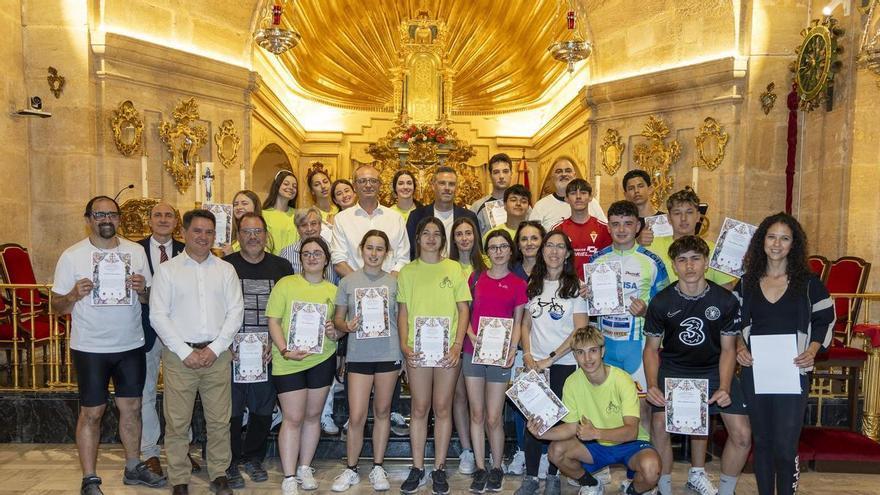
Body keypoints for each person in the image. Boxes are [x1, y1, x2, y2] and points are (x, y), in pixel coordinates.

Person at [52, 196, 165, 495]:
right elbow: (56, 307)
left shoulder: (136, 252)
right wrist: (73, 294)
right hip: (90, 346)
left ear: (119, 219)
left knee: (133, 408)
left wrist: (143, 291)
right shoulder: (72, 255)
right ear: (88, 218)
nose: (106, 219)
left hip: (130, 344)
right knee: (93, 412)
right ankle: (89, 478)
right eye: (99, 214)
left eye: (112, 215)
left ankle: (133, 466)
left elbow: (150, 300)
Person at [734, 213, 834, 495]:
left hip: (794, 371)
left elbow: (826, 319)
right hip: (756, 371)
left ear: (794, 244)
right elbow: (730, 323)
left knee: (785, 443)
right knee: (763, 441)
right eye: (771, 236)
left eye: (785, 238)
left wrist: (813, 350)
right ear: (762, 241)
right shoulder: (745, 284)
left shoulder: (810, 284)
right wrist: (740, 348)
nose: (777, 244)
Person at [643, 235, 751, 495]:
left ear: (705, 263)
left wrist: (724, 386)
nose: (689, 266)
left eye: (695, 259)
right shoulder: (661, 302)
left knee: (742, 434)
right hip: (675, 369)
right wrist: (653, 385)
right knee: (658, 426)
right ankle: (664, 488)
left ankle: (725, 490)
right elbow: (650, 349)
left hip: (714, 368)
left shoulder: (725, 301)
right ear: (674, 266)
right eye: (682, 260)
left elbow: (728, 349)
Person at [150, 209, 244, 495]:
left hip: (217, 356)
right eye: (197, 231)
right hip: (180, 357)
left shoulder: (225, 270)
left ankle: (218, 473)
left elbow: (235, 312)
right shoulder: (168, 271)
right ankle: (179, 478)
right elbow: (158, 315)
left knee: (219, 421)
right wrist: (184, 351)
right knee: (177, 422)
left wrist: (215, 349)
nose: (203, 237)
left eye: (208, 232)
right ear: (184, 234)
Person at [531, 326, 661, 495]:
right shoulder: (571, 382)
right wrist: (542, 434)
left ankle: (633, 490)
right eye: (580, 352)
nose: (587, 358)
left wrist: (596, 433)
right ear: (575, 355)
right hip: (595, 446)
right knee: (556, 451)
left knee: (651, 470)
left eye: (592, 350)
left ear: (602, 351)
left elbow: (631, 432)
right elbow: (570, 428)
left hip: (629, 443)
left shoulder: (623, 380)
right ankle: (591, 484)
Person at [397, 217, 472, 495]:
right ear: (418, 238)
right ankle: (417, 468)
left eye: (436, 233)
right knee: (419, 407)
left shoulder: (453, 268)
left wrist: (456, 344)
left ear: (443, 239)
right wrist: (404, 347)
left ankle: (439, 468)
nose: (431, 238)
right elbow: (402, 312)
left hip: (446, 350)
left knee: (442, 407)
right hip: (416, 349)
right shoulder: (407, 272)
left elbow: (463, 310)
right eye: (426, 233)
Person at [222, 213, 295, 489]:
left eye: (258, 231)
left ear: (266, 235)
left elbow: (288, 309)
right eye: (247, 232)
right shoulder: (225, 266)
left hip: (268, 351)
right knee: (231, 409)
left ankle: (253, 457)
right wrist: (225, 343)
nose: (253, 237)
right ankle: (229, 461)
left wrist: (277, 343)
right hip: (232, 351)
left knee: (263, 408)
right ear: (238, 236)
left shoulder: (282, 267)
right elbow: (217, 308)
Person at [266, 236, 342, 495]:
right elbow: (274, 321)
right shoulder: (286, 285)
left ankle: (304, 467)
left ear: (326, 260)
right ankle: (289, 475)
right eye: (306, 253)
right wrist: (285, 350)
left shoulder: (334, 291)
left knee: (312, 417)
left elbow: (338, 330)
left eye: (317, 253)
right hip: (288, 362)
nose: (311, 257)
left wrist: (335, 332)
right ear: (300, 258)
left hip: (322, 360)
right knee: (293, 417)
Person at [516, 230, 589, 495]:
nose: (554, 251)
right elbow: (525, 323)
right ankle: (532, 477)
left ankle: (554, 475)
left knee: (558, 424)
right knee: (533, 422)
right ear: (542, 250)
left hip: (564, 364)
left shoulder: (575, 288)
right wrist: (527, 355)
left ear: (568, 254)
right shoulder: (532, 284)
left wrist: (551, 359)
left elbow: (578, 332)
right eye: (549, 246)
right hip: (534, 365)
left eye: (560, 247)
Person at [329, 230, 401, 492]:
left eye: (379, 249)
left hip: (389, 354)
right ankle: (351, 468)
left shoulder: (395, 283)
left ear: (387, 253)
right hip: (358, 355)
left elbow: (401, 319)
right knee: (357, 415)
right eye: (369, 248)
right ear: (361, 250)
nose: (374, 253)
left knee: (382, 412)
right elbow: (338, 318)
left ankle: (378, 467)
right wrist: (345, 325)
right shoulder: (348, 282)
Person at [589, 200, 669, 428]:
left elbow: (666, 307)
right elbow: (590, 310)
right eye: (615, 224)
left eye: (627, 223)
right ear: (608, 228)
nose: (621, 229)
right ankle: (612, 463)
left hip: (638, 347)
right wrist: (586, 296)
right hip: (606, 346)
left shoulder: (652, 262)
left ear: (638, 227)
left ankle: (642, 463)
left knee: (641, 411)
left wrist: (647, 310)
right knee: (606, 410)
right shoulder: (597, 260)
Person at [463, 230, 526, 493]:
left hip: (501, 356)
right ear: (486, 252)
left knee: (493, 416)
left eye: (503, 246)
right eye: (493, 247)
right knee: (476, 413)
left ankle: (497, 466)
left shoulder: (519, 283)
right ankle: (480, 467)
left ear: (511, 251)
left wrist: (512, 349)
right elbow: (463, 313)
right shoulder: (475, 278)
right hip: (472, 351)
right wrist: (472, 336)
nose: (498, 251)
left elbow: (519, 322)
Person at [137, 202, 185, 478]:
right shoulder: (134, 250)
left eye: (169, 215)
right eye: (158, 215)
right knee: (145, 393)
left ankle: (182, 450)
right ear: (149, 220)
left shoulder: (187, 250)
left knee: (182, 393)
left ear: (176, 222)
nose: (163, 219)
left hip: (180, 333)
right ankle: (150, 452)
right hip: (145, 331)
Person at [507, 220, 547, 475]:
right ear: (518, 245)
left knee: (545, 404)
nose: (529, 243)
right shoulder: (510, 272)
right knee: (523, 404)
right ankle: (522, 453)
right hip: (518, 348)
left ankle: (543, 455)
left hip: (546, 350)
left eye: (534, 238)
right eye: (524, 239)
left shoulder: (552, 270)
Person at [447, 216, 486, 475]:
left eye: (468, 233)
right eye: (459, 234)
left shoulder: (489, 265)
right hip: (454, 338)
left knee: (479, 401)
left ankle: (483, 447)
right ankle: (467, 450)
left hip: (483, 341)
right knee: (459, 397)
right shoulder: (445, 267)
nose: (464, 238)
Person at [643, 187, 735, 289]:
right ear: (669, 218)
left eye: (689, 212)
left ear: (698, 216)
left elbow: (726, 293)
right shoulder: (650, 247)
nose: (683, 218)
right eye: (677, 213)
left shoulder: (714, 252)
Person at [331, 164, 410, 279]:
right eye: (362, 181)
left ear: (379, 185)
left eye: (373, 181)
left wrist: (386, 284)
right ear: (354, 186)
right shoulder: (342, 219)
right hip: (354, 287)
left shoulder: (395, 218)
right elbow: (338, 260)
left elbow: (403, 259)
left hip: (389, 286)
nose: (368, 185)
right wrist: (361, 284)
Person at [406, 166, 479, 259]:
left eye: (451, 184)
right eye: (442, 183)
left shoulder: (469, 216)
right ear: (433, 186)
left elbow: (477, 251)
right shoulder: (416, 216)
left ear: (456, 188)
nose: (447, 188)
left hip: (460, 270)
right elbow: (410, 252)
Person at [528, 156, 605, 231]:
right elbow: (532, 234)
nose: (564, 174)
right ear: (552, 177)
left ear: (574, 176)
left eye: (568, 171)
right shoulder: (541, 205)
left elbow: (604, 229)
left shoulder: (591, 202)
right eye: (559, 171)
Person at [557, 179, 612, 279]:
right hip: (567, 287)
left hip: (596, 286)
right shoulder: (558, 230)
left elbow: (611, 259)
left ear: (590, 197)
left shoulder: (604, 229)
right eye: (573, 193)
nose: (578, 197)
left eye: (583, 193)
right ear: (566, 198)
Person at [281, 206, 339, 284]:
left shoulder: (334, 250)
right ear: (297, 229)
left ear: (320, 225)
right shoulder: (287, 253)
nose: (309, 229)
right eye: (304, 225)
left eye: (313, 223)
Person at [471, 153, 514, 235]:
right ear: (490, 176)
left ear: (511, 173)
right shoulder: (477, 207)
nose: (501, 176)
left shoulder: (522, 205)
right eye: (496, 172)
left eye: (505, 171)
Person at [262, 170, 300, 255]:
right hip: (272, 263)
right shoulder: (263, 215)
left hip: (295, 263)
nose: (291, 188)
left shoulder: (298, 215)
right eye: (286, 184)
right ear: (277, 186)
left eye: (294, 186)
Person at [621, 169, 662, 247]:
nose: (636, 191)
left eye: (640, 186)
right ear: (625, 195)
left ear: (650, 189)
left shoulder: (665, 219)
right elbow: (617, 252)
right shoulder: (623, 223)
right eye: (631, 188)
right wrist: (637, 242)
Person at [220, 190, 263, 255]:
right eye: (236, 204)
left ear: (255, 206)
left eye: (244, 203)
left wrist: (231, 255)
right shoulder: (229, 233)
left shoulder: (260, 233)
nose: (239, 207)